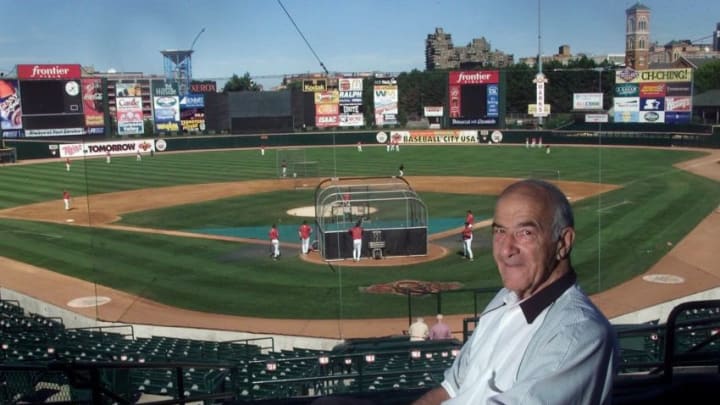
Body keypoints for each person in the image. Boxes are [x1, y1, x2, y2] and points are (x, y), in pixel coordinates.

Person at [412, 179, 618, 405]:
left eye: (525, 232)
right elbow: (449, 389)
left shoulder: (577, 334)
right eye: (500, 231)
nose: (506, 249)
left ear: (563, 243)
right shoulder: (504, 299)